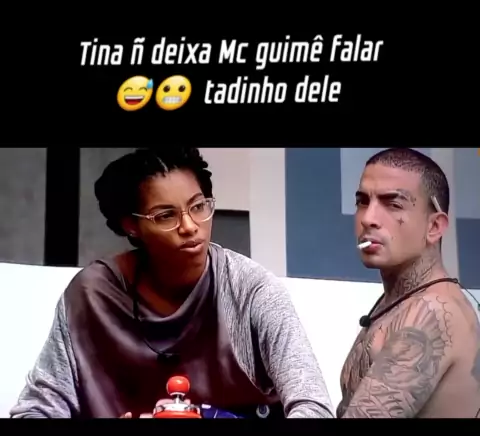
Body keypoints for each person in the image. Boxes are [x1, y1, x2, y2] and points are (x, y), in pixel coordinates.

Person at [10, 147, 333, 420]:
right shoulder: (92, 297)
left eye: (198, 206)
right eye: (166, 215)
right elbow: (36, 409)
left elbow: (314, 407)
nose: (190, 226)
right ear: (131, 226)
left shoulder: (251, 290)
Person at [337, 148, 480, 419]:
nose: (368, 218)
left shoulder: (433, 313)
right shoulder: (399, 301)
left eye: (393, 204)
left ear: (434, 227)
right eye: (363, 201)